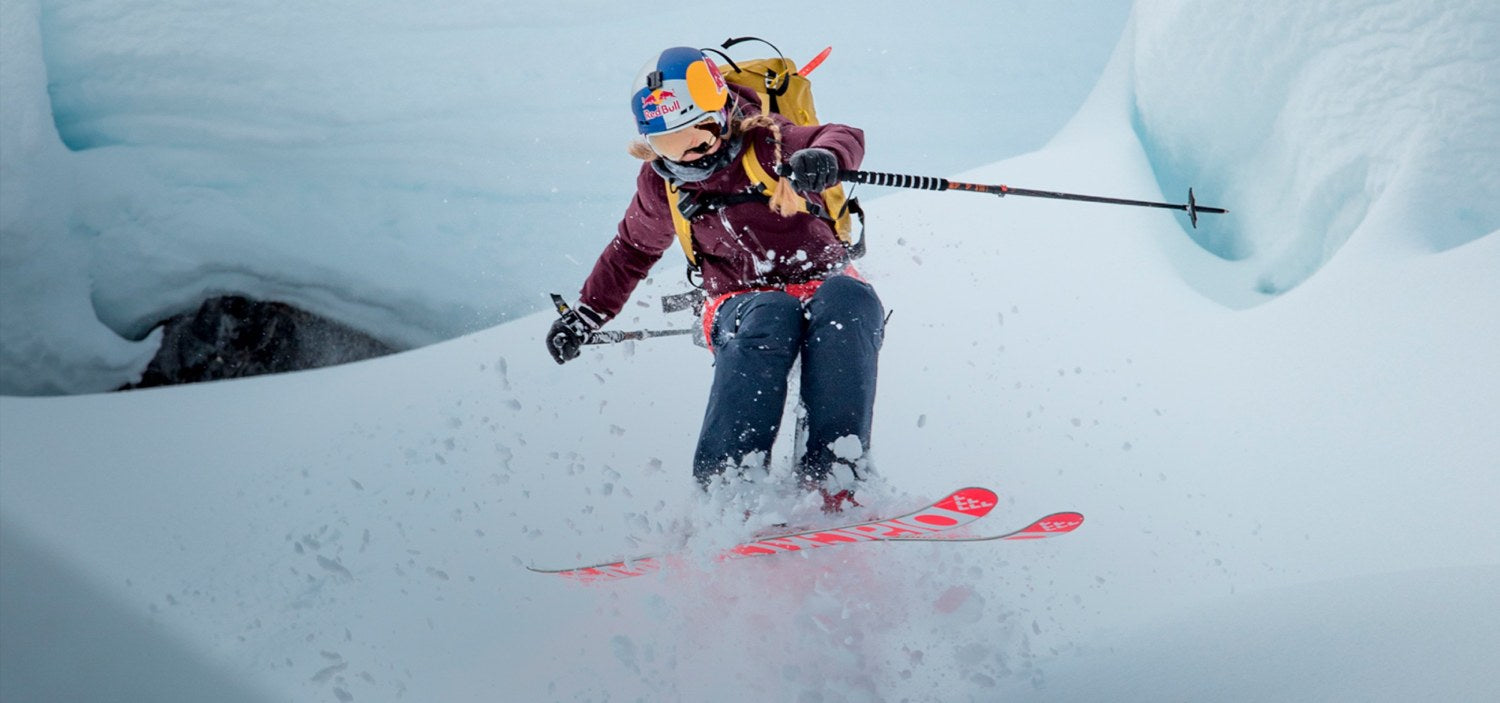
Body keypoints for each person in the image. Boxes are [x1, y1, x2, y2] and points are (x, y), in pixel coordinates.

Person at [547, 46, 884, 513]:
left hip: (821, 279)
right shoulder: (662, 183)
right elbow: (632, 250)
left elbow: (843, 133)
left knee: (851, 301)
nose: (689, 154)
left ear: (724, 114)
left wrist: (825, 155)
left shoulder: (768, 142)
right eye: (669, 143)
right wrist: (588, 313)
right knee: (771, 315)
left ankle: (835, 480)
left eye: (699, 133)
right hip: (738, 299)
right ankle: (728, 495)